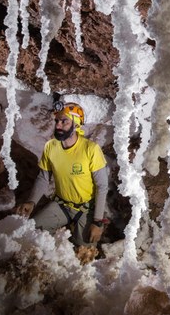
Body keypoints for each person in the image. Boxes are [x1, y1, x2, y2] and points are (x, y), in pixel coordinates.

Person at [16, 100, 109, 246]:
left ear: (76, 124)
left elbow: (102, 186)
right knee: (32, 233)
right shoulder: (51, 147)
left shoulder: (91, 149)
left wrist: (98, 222)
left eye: (64, 121)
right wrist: (32, 201)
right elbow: (43, 178)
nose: (58, 125)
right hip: (61, 205)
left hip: (86, 209)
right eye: (57, 121)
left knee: (84, 254)